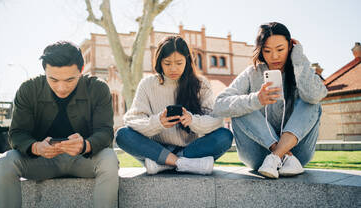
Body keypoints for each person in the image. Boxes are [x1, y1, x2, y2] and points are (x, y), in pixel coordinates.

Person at [0, 42, 119, 208]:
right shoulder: (28, 89)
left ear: (81, 72)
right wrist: (36, 147)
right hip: (40, 161)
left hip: (84, 159)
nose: (61, 87)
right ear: (45, 71)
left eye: (69, 80)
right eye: (53, 79)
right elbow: (17, 134)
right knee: (4, 161)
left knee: (110, 158)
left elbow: (105, 132)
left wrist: (85, 145)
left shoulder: (98, 88)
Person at [213, 22, 328, 179]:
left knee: (311, 101)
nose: (274, 56)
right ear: (261, 51)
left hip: (298, 155)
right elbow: (219, 105)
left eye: (280, 49)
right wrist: (256, 99)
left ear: (290, 46)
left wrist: (299, 58)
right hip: (258, 156)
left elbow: (316, 95)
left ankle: (277, 156)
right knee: (239, 106)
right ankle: (279, 155)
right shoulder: (252, 73)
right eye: (267, 51)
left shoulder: (299, 69)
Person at [116, 36, 233, 175]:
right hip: (156, 148)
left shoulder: (201, 84)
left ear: (188, 61)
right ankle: (181, 163)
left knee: (225, 136)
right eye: (167, 63)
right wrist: (158, 122)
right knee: (122, 135)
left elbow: (216, 120)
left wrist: (193, 120)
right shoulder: (148, 84)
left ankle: (164, 164)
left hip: (190, 149)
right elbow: (132, 120)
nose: (173, 68)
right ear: (160, 62)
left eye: (179, 63)